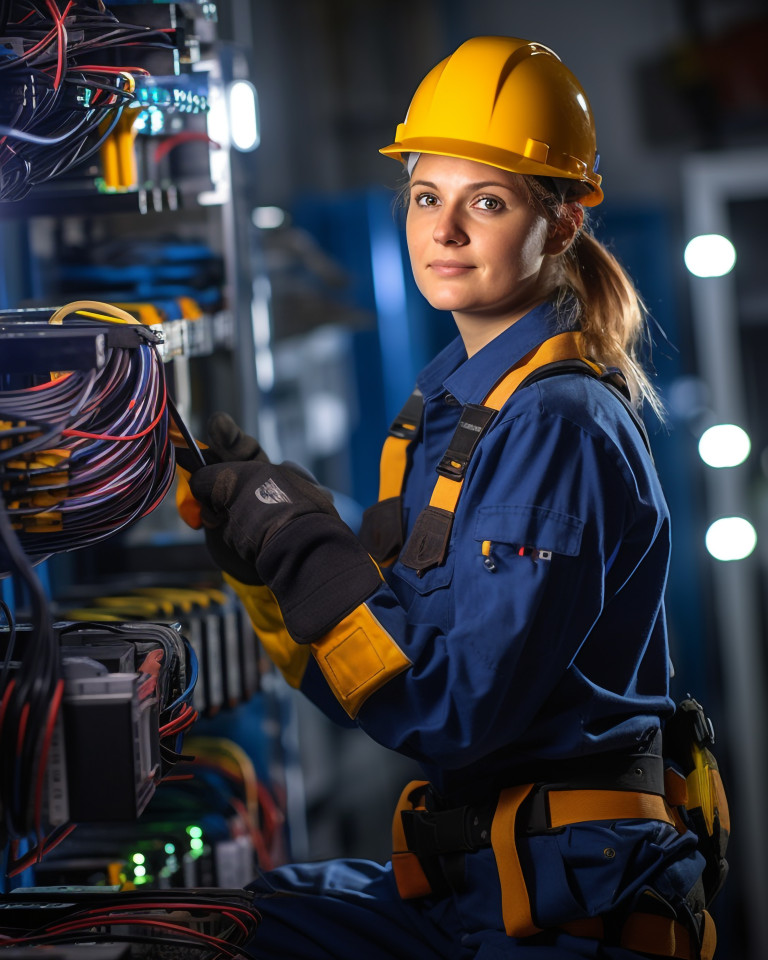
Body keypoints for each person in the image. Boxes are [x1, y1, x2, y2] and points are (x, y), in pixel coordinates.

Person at [176, 35, 716, 960]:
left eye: (488, 202)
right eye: (427, 197)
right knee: (224, 924)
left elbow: (450, 709)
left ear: (564, 224)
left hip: (561, 914)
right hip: (480, 887)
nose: (445, 231)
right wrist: (264, 561)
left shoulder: (556, 423)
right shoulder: (462, 408)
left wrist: (302, 541)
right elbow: (372, 677)